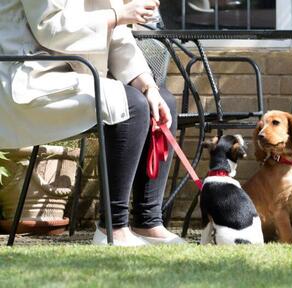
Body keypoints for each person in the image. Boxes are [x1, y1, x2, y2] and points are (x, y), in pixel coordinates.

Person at [0, 0, 185, 246]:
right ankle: (113, 228)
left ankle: (148, 222)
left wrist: (148, 86)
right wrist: (118, 14)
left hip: (71, 75)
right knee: (131, 105)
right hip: (28, 77)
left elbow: (117, 36)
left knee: (161, 101)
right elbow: (51, 29)